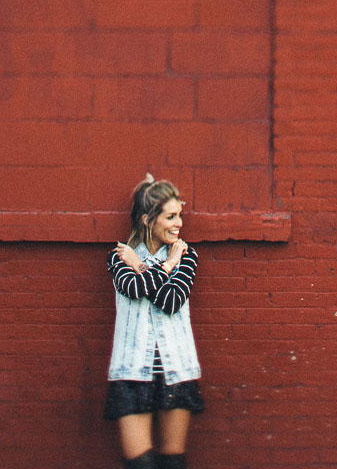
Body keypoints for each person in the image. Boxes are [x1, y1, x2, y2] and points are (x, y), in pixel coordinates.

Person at [105, 174, 204, 469]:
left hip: (176, 369)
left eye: (180, 216)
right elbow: (134, 290)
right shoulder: (120, 257)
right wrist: (164, 265)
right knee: (141, 464)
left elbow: (171, 302)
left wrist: (146, 266)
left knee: (173, 462)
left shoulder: (186, 256)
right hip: (132, 370)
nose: (179, 224)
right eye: (170, 216)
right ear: (149, 219)